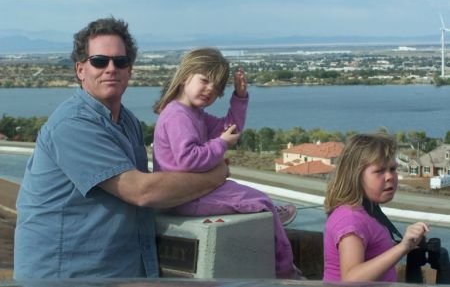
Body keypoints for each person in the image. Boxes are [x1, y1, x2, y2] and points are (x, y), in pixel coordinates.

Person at [14, 17, 229, 279]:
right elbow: (142, 191)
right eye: (99, 61)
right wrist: (216, 176)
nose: (111, 68)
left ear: (130, 70)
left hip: (113, 272)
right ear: (81, 70)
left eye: (121, 61)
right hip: (69, 276)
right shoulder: (73, 125)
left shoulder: (126, 122)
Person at [152, 47, 300, 279]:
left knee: (259, 200)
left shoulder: (193, 113)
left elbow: (230, 130)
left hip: (191, 191)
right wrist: (220, 144)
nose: (210, 89)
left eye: (217, 87)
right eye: (204, 80)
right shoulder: (178, 115)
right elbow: (188, 159)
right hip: (187, 196)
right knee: (260, 201)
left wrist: (239, 98)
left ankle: (271, 219)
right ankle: (285, 270)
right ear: (184, 77)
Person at [323, 133, 430, 282]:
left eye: (392, 169)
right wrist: (403, 247)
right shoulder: (350, 220)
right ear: (355, 175)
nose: (389, 177)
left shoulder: (366, 211)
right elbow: (351, 279)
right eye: (379, 171)